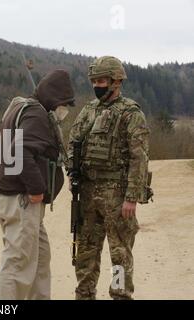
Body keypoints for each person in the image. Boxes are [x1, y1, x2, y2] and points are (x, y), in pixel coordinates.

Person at [67, 56, 151, 300]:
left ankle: (119, 295)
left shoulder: (130, 113)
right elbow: (73, 141)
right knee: (85, 253)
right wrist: (72, 168)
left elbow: (140, 158)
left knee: (119, 255)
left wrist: (132, 197)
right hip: (88, 193)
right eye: (94, 80)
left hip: (117, 195)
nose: (97, 85)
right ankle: (84, 295)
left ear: (116, 81)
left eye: (102, 80)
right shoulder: (88, 110)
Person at [0, 70, 75, 299]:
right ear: (54, 98)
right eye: (64, 104)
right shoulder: (36, 114)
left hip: (14, 194)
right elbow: (20, 150)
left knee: (40, 256)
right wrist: (36, 189)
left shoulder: (21, 107)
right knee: (18, 263)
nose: (64, 110)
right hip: (21, 197)